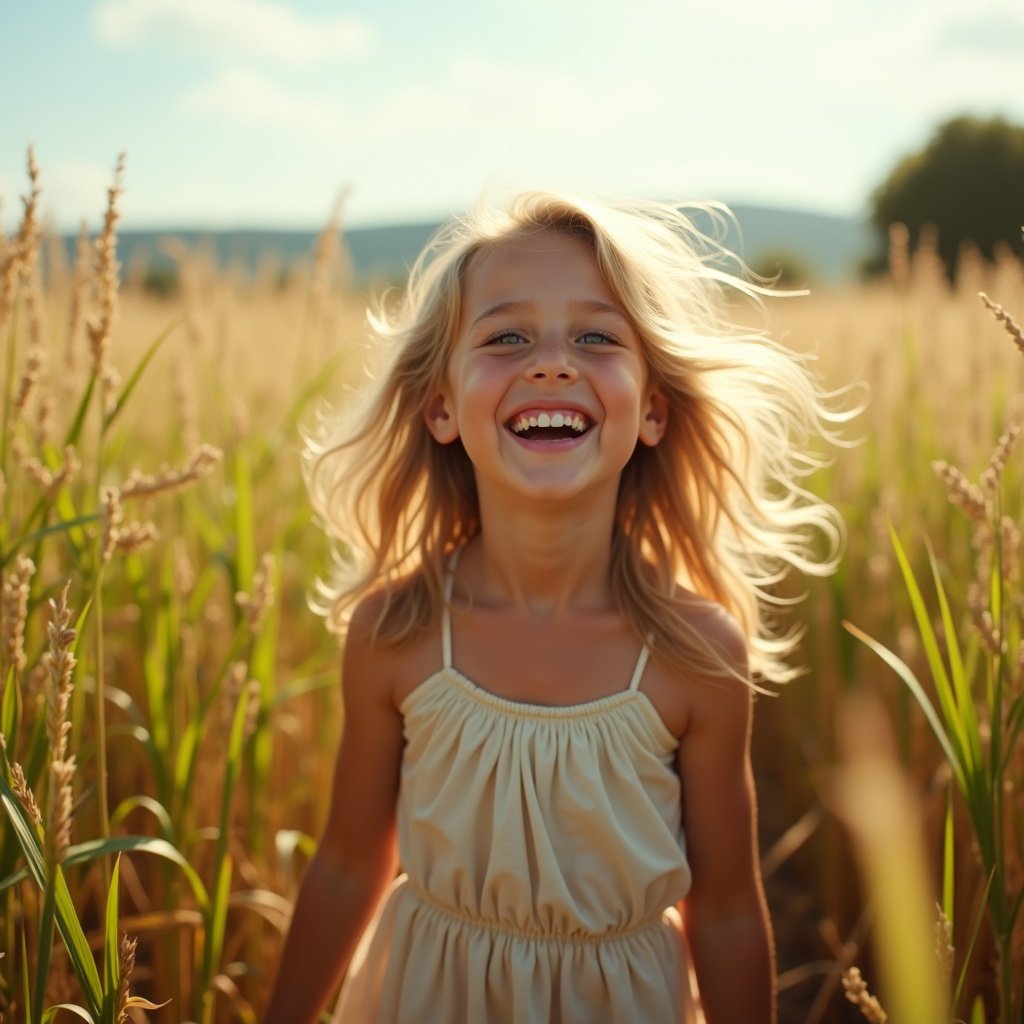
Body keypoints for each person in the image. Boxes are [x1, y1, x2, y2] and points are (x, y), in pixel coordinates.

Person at [262, 190, 846, 1024]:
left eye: (597, 337)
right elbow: (351, 861)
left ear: (650, 409)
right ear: (440, 408)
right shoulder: (398, 633)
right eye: (506, 337)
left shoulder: (695, 653)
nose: (551, 364)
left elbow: (724, 908)